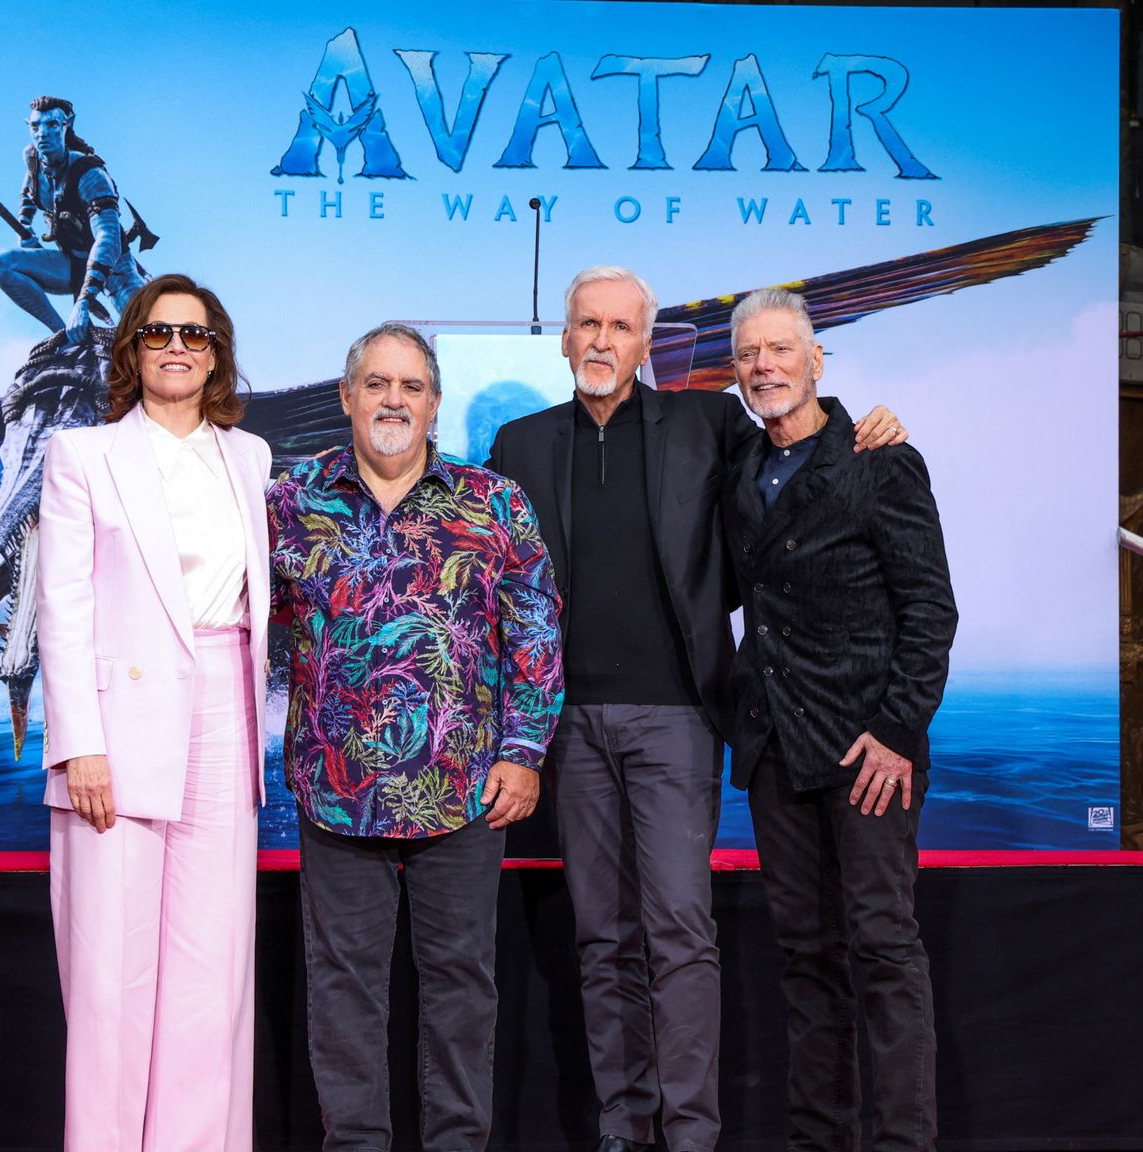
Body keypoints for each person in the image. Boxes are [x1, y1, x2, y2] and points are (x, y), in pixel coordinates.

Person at [486, 266, 906, 1152]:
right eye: (586, 325)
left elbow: (800, 430)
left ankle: (691, 1135)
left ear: (650, 344)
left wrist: (874, 426)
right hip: (570, 729)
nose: (602, 341)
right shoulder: (517, 447)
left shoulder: (707, 424)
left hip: (679, 717)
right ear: (563, 340)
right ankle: (622, 1129)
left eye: (621, 327)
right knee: (601, 937)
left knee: (679, 932)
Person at [269, 322, 564, 1151]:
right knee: (342, 989)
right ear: (347, 396)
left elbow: (535, 631)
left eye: (410, 386)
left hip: (464, 789)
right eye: (376, 383)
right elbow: (262, 626)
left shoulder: (493, 502)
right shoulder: (291, 502)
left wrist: (523, 751)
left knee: (463, 987)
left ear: (435, 404)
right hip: (335, 794)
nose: (392, 399)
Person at [36, 273, 271, 1151]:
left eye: (196, 335)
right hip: (118, 728)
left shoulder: (249, 457)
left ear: (218, 355)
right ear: (132, 348)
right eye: (160, 333)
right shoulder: (82, 454)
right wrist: (79, 747)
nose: (178, 348)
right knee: (110, 978)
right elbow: (62, 607)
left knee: (212, 977)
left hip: (226, 715)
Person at [721, 287, 957, 1152]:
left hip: (870, 752)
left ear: (818, 359)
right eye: (749, 352)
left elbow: (931, 609)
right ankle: (819, 1140)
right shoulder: (737, 468)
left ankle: (902, 1143)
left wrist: (898, 731)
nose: (764, 365)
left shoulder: (880, 459)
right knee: (806, 959)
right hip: (778, 748)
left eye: (781, 349)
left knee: (885, 951)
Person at [0, 96, 147, 343]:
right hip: (72, 264)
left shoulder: (90, 174)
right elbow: (29, 191)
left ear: (67, 125)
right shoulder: (32, 158)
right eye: (35, 126)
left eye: (51, 125)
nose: (42, 134)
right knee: (0, 264)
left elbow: (108, 238)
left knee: (146, 331)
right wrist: (24, 225)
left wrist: (83, 302)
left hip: (115, 267)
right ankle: (66, 337)